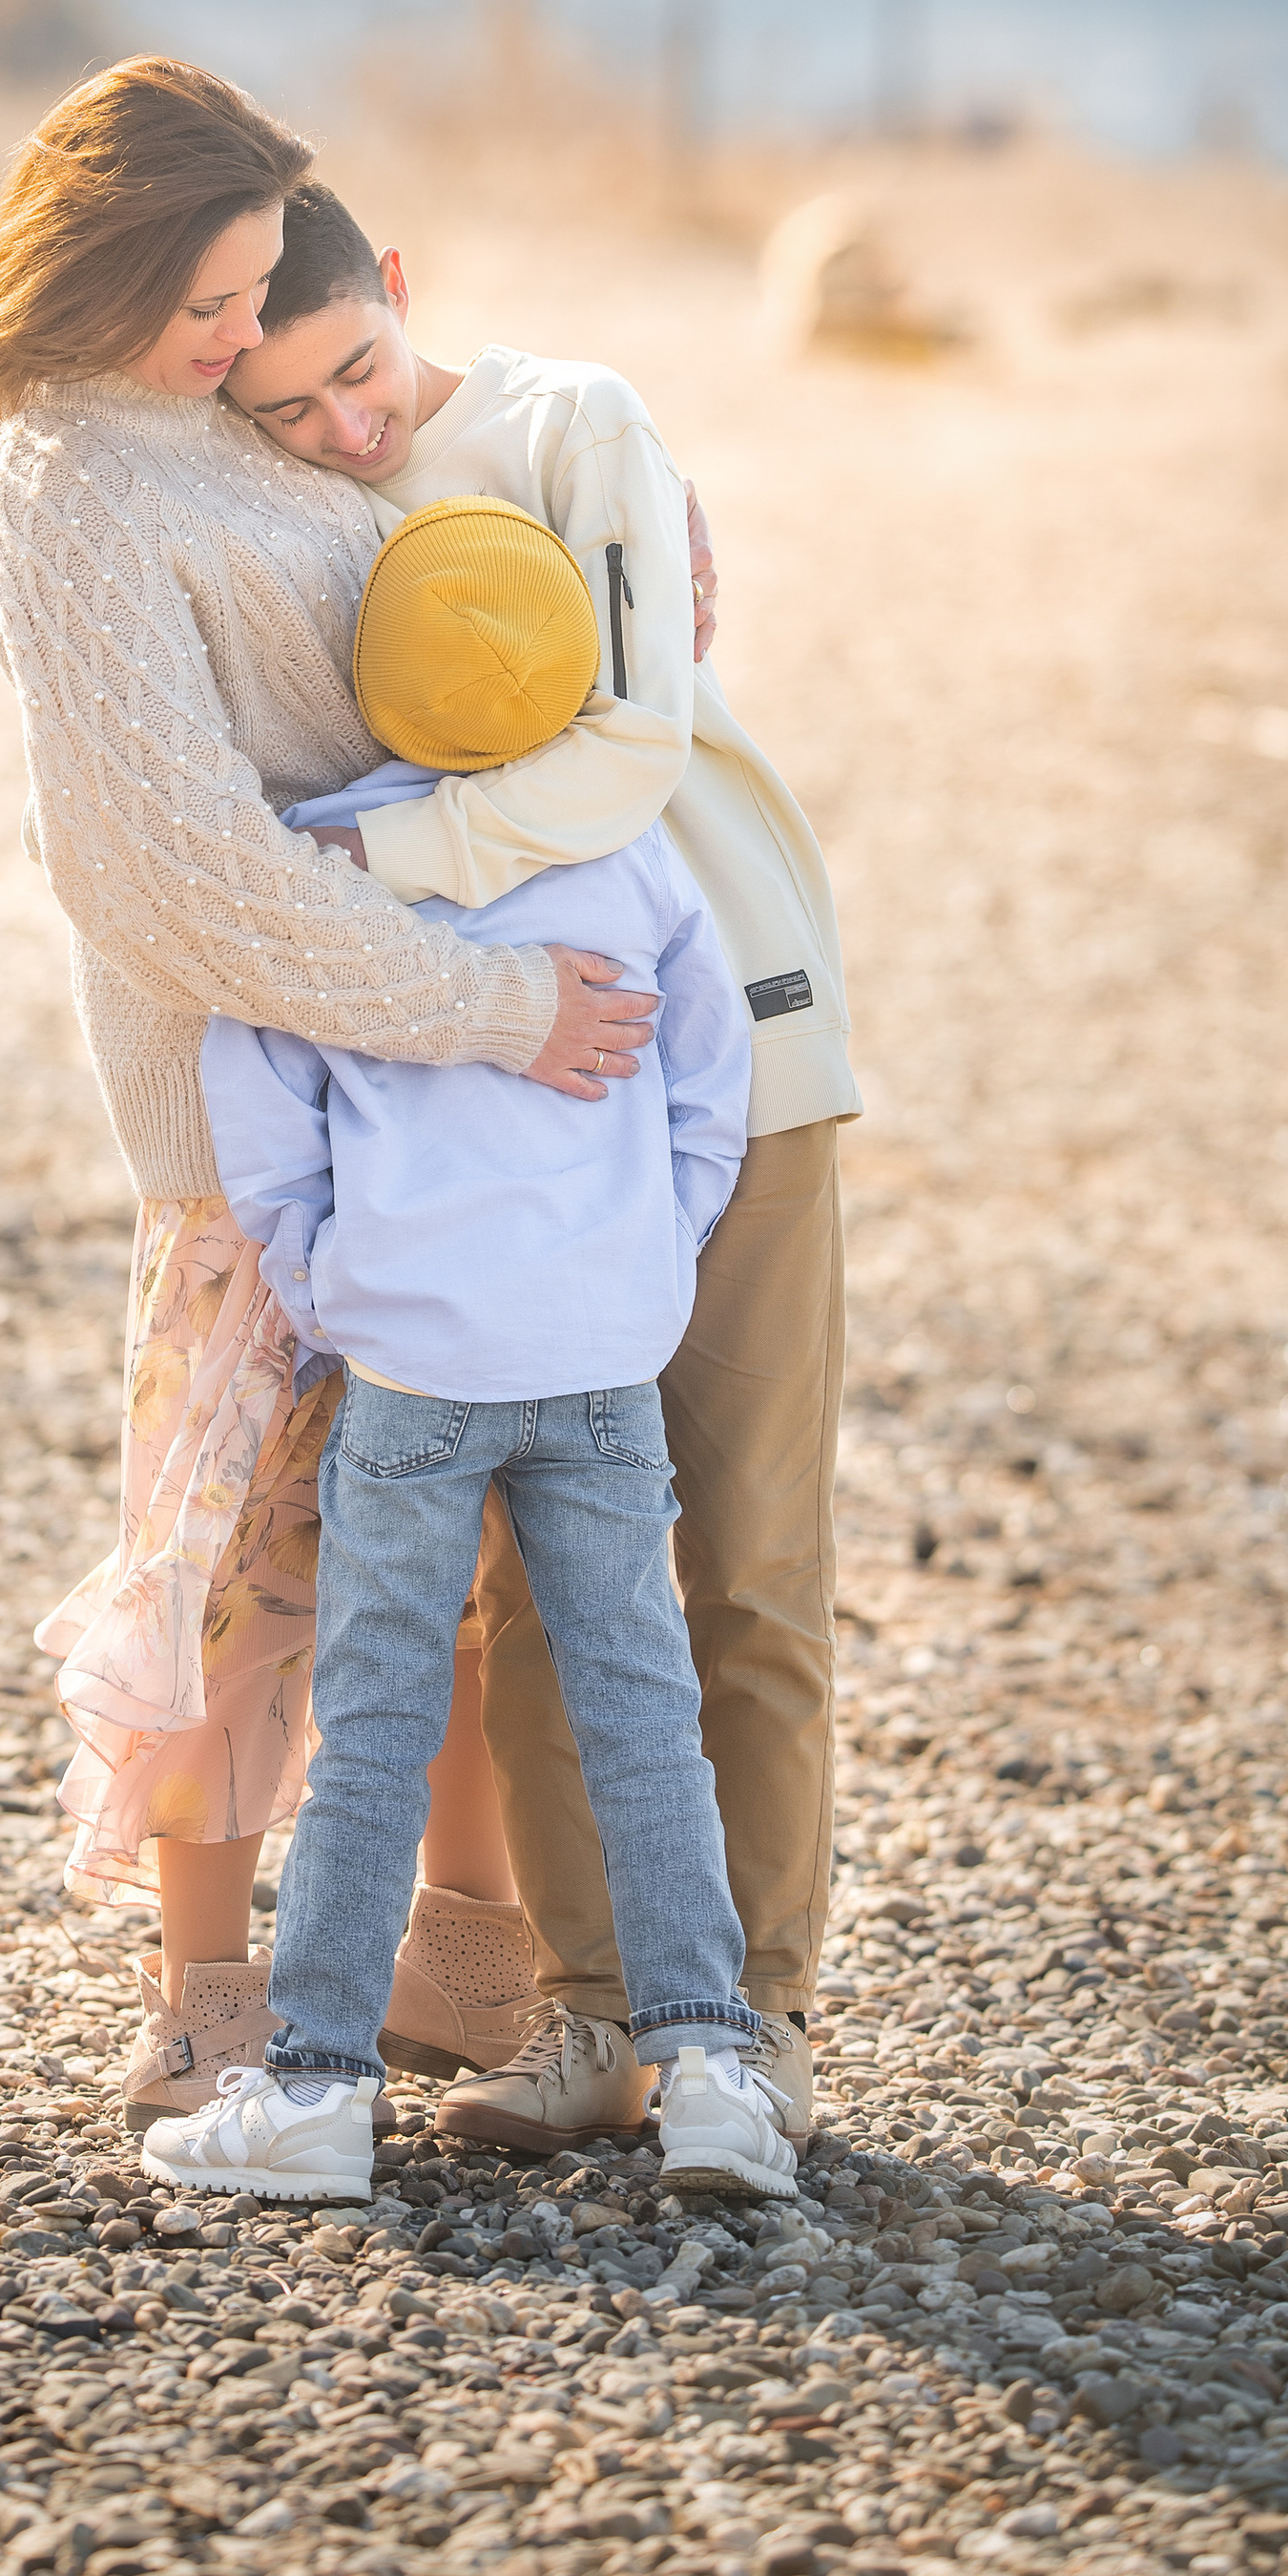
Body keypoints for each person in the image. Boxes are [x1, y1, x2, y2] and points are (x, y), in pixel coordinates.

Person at [0, 61, 664, 2123]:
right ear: (95, 264)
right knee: (244, 1547)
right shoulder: (61, 477)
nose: (235, 343)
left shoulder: (203, 404)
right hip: (262, 1083)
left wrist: (640, 524)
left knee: (446, 1539)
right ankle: (202, 1991)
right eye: (207, 302)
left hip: (416, 1071)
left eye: (256, 295)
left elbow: (434, 456)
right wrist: (487, 1007)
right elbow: (164, 872)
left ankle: (459, 1956)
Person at [221, 179, 857, 2154]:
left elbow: (631, 752)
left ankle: (750, 2026)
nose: (346, 427)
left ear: (400, 291)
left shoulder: (572, 421)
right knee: (520, 1581)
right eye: (289, 406)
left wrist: (378, 874)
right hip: (492, 1105)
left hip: (726, 1028)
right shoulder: (290, 496)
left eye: (355, 369)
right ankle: (596, 2018)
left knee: (740, 1565)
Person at [141, 499, 798, 2206]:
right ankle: (716, 2068)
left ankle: (312, 2096)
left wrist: (329, 1274)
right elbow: (711, 1079)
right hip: (599, 1355)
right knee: (640, 1709)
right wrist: (655, 1248)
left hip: (418, 1370)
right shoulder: (629, 853)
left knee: (374, 1719)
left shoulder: (328, 867)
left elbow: (254, 1088)